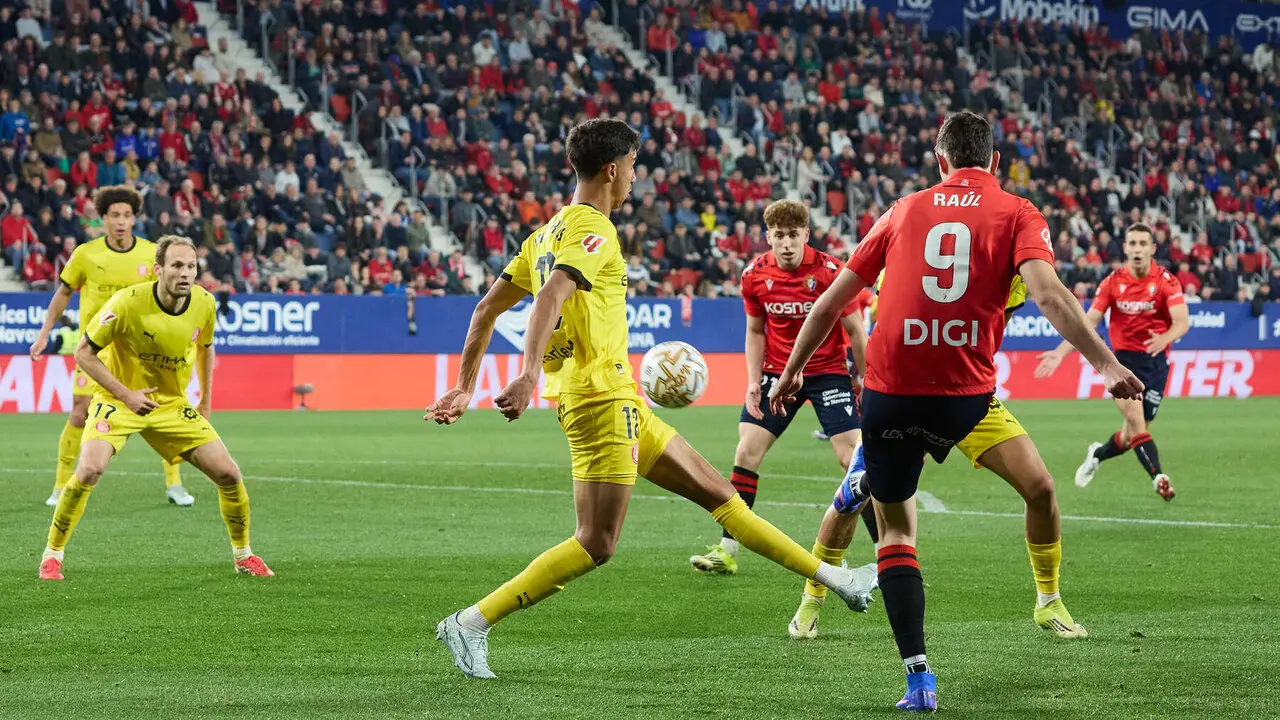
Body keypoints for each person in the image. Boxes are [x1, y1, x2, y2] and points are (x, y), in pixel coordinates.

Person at [425, 118, 876, 680]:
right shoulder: (594, 231)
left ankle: (837, 579)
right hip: (599, 404)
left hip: (624, 402)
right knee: (596, 543)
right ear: (613, 169)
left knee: (721, 494)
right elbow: (553, 297)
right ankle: (471, 623)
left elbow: (485, 310)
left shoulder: (542, 236)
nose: (636, 178)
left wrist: (467, 385)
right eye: (635, 167)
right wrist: (527, 375)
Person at [769, 111, 1142, 712]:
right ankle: (814, 597)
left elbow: (834, 301)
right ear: (996, 162)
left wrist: (787, 375)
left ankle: (927, 671)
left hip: (893, 396)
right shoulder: (1019, 217)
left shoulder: (901, 210)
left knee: (879, 514)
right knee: (1040, 488)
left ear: (940, 162)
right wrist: (1102, 364)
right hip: (964, 400)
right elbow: (1048, 293)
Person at [788, 274, 1088, 644]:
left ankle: (1049, 601)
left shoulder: (1011, 271)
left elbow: (992, 338)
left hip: (967, 398)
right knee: (852, 497)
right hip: (907, 395)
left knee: (1040, 487)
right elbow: (889, 324)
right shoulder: (913, 249)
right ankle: (812, 599)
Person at [38, 236, 273, 581]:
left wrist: (205, 400)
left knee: (229, 474)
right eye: (177, 265)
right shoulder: (127, 302)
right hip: (117, 401)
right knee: (89, 470)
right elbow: (84, 353)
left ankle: (243, 555)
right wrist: (126, 394)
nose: (185, 273)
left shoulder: (205, 303)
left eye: (191, 266)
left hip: (171, 405)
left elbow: (207, 349)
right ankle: (52, 554)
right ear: (158, 270)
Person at [687, 198, 875, 587]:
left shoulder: (830, 272)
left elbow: (857, 332)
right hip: (776, 373)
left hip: (827, 374)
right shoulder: (755, 275)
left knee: (852, 459)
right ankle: (727, 550)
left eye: (794, 235)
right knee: (746, 451)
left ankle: (886, 555)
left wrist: (864, 381)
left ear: (806, 234)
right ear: (768, 236)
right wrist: (753, 380)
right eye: (779, 236)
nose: (786, 243)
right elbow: (755, 331)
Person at [29, 185, 194, 508]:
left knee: (165, 410)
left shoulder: (151, 254)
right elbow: (62, 294)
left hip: (143, 350)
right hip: (97, 351)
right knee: (79, 413)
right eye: (114, 215)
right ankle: (61, 485)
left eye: (127, 216)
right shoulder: (86, 254)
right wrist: (44, 333)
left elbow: (169, 297)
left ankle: (175, 483)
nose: (121, 221)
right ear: (102, 219)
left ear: (134, 219)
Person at [1034, 223, 1189, 501]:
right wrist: (1060, 352)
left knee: (1132, 436)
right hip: (1121, 364)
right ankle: (1159, 478)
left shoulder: (1167, 281)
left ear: (1152, 248)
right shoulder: (1113, 283)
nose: (1138, 249)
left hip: (1155, 365)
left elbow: (1182, 322)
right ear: (1126, 248)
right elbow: (1087, 323)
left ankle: (1097, 454)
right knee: (1135, 421)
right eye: (1133, 243)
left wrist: (1165, 338)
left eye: (1143, 243)